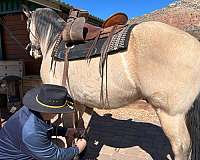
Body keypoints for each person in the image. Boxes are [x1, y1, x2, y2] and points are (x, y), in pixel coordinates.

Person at [0, 84, 87, 160]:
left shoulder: (33, 111)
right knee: (59, 147)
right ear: (49, 111)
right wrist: (77, 148)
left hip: (17, 148)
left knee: (57, 144)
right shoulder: (32, 132)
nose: (60, 113)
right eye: (59, 111)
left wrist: (66, 131)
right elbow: (55, 156)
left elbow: (43, 128)